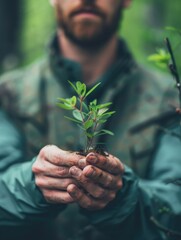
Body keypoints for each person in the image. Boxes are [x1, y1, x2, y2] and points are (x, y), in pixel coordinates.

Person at [0, 0, 181, 240]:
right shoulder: (7, 94)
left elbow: (175, 207)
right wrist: (31, 185)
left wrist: (123, 197)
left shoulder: (170, 100)